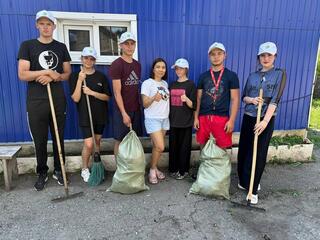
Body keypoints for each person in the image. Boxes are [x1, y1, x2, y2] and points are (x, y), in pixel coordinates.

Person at [17, 10, 71, 191]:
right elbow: (23, 74)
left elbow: (66, 73)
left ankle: (59, 170)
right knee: (40, 140)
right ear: (37, 25)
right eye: (42, 23)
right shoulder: (28, 46)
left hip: (57, 99)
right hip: (36, 101)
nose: (45, 27)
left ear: (54, 26)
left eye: (49, 24)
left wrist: (54, 77)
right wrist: (46, 72)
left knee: (58, 137)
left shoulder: (61, 47)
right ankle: (42, 172)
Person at [237, 42, 286, 204]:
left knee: (258, 153)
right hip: (249, 116)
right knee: (244, 150)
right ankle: (244, 181)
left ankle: (253, 187)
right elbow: (244, 96)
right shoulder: (252, 75)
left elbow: (275, 100)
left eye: (269, 55)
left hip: (265, 118)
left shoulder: (279, 74)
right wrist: (251, 99)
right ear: (258, 58)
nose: (266, 58)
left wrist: (265, 121)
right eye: (263, 55)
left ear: (275, 57)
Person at [69, 47, 111, 182]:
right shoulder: (75, 76)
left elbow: (107, 97)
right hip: (85, 115)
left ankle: (96, 166)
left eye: (91, 58)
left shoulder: (101, 77)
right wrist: (80, 81)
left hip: (100, 114)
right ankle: (84, 168)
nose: (88, 61)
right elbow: (75, 98)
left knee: (97, 141)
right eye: (86, 57)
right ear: (81, 58)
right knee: (88, 144)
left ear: (95, 61)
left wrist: (92, 92)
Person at [194, 42, 240, 149]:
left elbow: (235, 99)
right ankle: (204, 166)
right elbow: (198, 98)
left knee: (221, 151)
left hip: (222, 119)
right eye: (213, 54)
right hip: (204, 118)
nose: (216, 57)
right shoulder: (203, 76)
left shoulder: (231, 76)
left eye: (219, 53)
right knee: (204, 150)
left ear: (225, 55)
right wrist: (195, 118)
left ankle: (220, 167)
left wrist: (231, 121)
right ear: (209, 56)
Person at [109, 32, 142, 158]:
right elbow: (117, 93)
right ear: (120, 45)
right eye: (126, 44)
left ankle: (131, 168)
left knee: (134, 139)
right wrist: (124, 113)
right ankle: (119, 170)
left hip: (136, 109)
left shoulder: (137, 65)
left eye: (132, 43)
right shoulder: (117, 64)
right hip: (121, 110)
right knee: (120, 140)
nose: (129, 47)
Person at [141, 58, 170, 184]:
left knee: (156, 147)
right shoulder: (147, 83)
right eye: (158, 67)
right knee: (160, 146)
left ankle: (155, 168)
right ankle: (152, 169)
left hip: (164, 118)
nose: (161, 69)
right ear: (153, 69)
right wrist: (153, 97)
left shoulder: (165, 84)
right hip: (153, 119)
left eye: (163, 67)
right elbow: (145, 104)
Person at [169, 58, 197, 180]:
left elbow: (194, 105)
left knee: (184, 148)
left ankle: (183, 170)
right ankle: (173, 168)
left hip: (186, 122)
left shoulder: (190, 84)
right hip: (173, 121)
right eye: (176, 68)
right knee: (173, 146)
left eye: (181, 68)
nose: (178, 70)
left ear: (186, 69)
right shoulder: (172, 84)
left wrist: (187, 100)